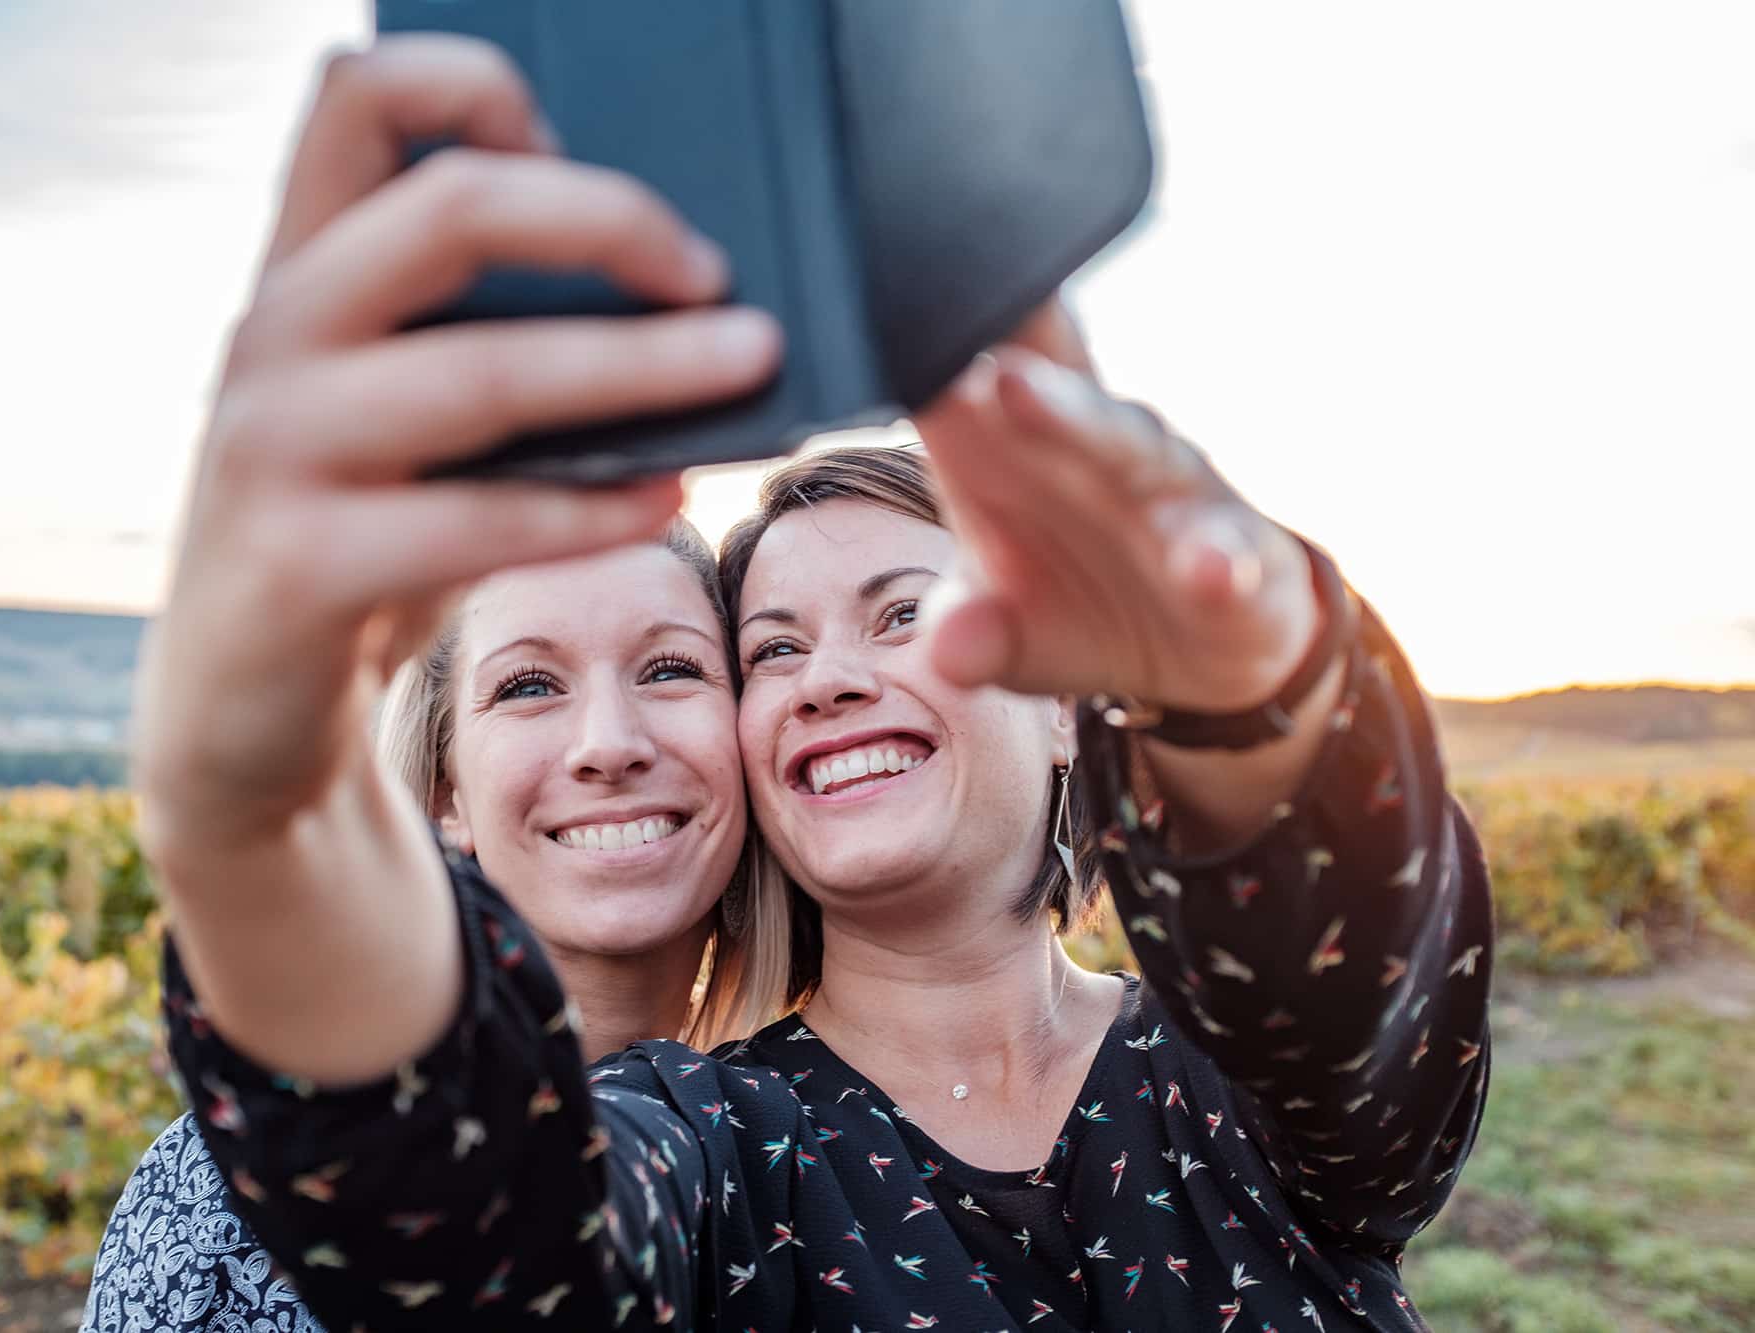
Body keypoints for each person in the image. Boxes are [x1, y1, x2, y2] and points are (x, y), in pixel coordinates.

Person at [137, 33, 1492, 1332]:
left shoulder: (1255, 1079)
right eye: (773, 649)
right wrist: (258, 821)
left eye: (904, 614)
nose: (826, 678)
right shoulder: (708, 1145)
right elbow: (491, 1242)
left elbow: (1361, 984)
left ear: (1068, 701)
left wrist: (1256, 700)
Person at [76, 525, 793, 1332]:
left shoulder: (807, 1156)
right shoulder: (222, 1205)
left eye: (670, 669)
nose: (610, 744)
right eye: (529, 685)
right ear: (448, 793)